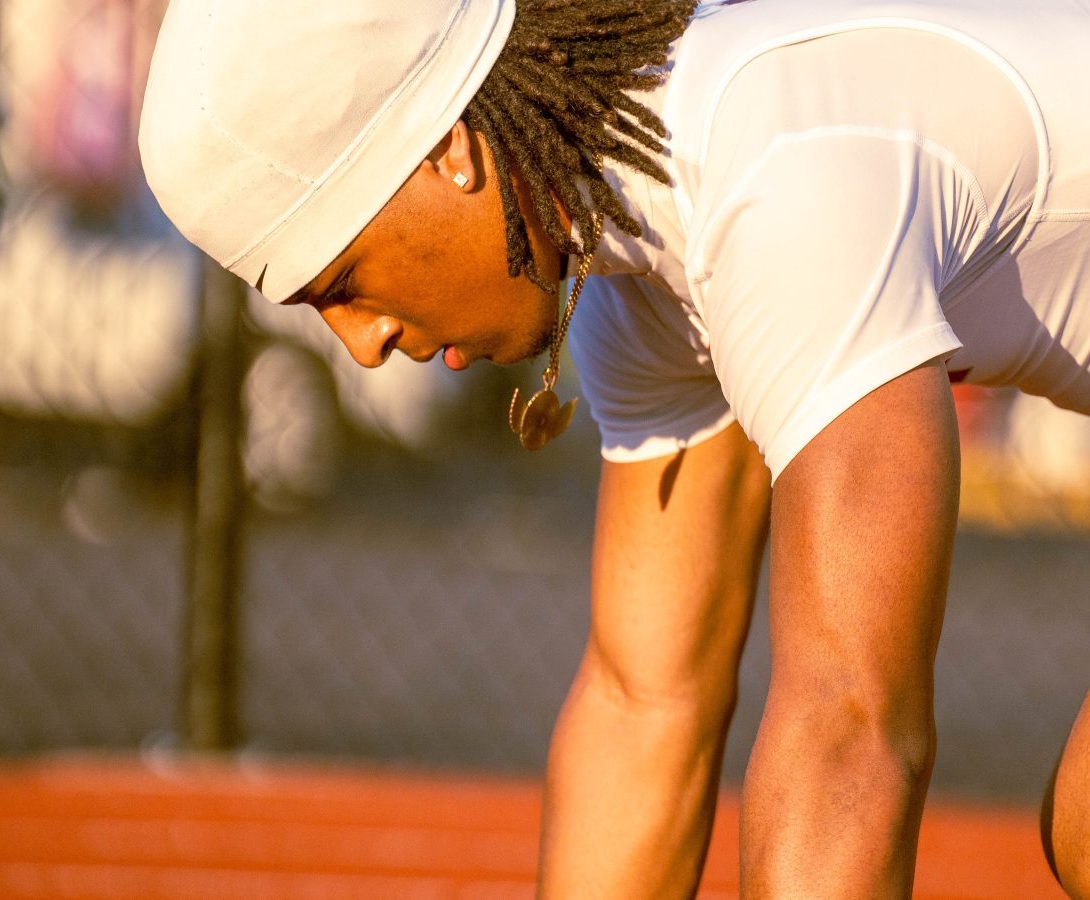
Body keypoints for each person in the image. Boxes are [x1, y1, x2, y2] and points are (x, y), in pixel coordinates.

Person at [139, 0, 1090, 895]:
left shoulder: (775, 174)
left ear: (449, 154)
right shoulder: (641, 247)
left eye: (343, 280)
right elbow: (647, 702)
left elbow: (852, 725)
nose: (362, 343)